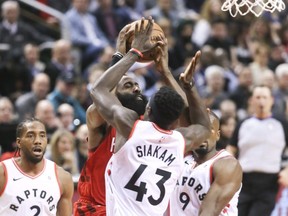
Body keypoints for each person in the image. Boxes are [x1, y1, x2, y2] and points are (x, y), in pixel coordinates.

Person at [90, 17, 211, 216]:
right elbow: (203, 125)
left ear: (148, 110)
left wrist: (132, 53)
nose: (137, 89)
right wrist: (179, 81)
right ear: (176, 121)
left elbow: (98, 89)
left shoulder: (130, 126)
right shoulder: (180, 140)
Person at [226, 85, 288, 216]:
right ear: (251, 100)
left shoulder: (282, 123)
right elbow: (231, 148)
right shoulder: (243, 123)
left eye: (265, 97)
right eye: (258, 97)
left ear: (271, 100)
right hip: (243, 181)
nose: (261, 101)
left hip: (270, 182)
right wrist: (229, 167)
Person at [167, 110, 242, 215]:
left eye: (209, 129)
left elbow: (209, 212)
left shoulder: (226, 164)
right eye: (200, 130)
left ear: (217, 135)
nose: (203, 135)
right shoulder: (181, 158)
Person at [0, 118, 74, 215]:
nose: (37, 141)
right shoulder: (3, 173)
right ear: (19, 142)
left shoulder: (63, 177)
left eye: (42, 135)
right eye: (30, 136)